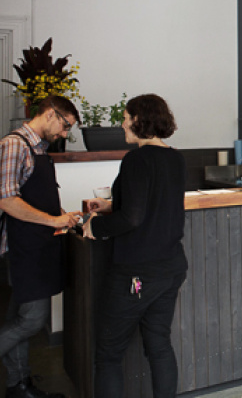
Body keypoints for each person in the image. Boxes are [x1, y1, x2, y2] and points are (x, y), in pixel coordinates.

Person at [83, 94, 187, 398]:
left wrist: (94, 227)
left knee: (109, 354)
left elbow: (133, 218)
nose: (122, 124)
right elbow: (153, 203)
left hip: (137, 272)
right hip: (171, 267)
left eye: (126, 118)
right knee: (159, 345)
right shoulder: (175, 158)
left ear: (140, 120)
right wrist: (110, 205)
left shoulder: (136, 159)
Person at [0, 96, 80, 398]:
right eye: (65, 125)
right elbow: (7, 200)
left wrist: (61, 217)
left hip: (38, 246)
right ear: (50, 114)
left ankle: (18, 385)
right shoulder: (14, 145)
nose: (64, 133)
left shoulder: (40, 150)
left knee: (17, 320)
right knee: (32, 320)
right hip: (23, 249)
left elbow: (36, 198)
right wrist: (52, 220)